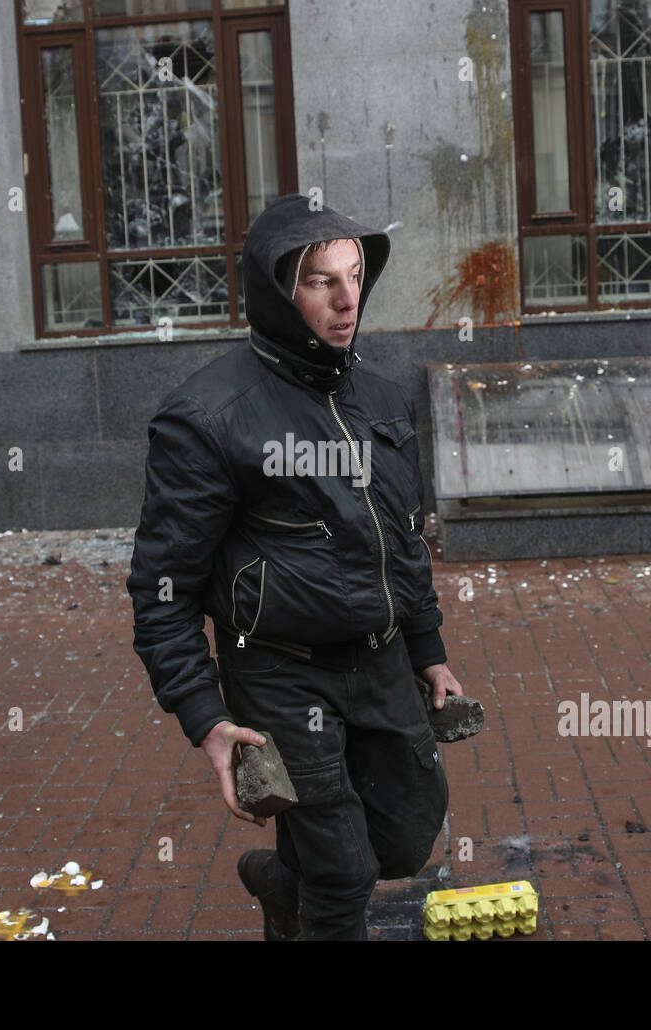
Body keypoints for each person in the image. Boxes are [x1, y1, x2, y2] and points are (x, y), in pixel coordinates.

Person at [128, 193, 463, 939]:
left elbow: (401, 538)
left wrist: (428, 650)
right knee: (343, 875)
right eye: (321, 281)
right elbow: (162, 589)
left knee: (404, 839)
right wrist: (205, 716)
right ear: (276, 292)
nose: (348, 301)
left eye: (354, 276)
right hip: (279, 672)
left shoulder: (379, 396)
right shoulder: (208, 416)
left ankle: (282, 882)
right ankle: (310, 894)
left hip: (378, 662)